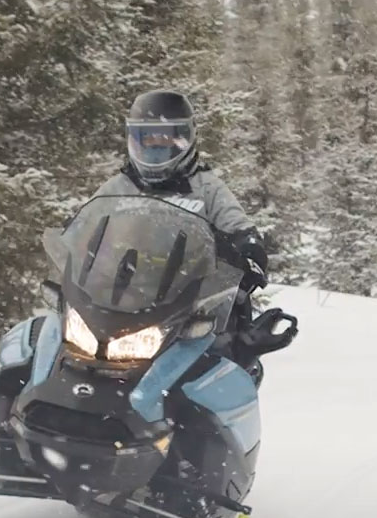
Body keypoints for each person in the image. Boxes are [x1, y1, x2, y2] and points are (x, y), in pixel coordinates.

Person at [90, 89, 278, 379]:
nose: (155, 146)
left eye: (164, 138)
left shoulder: (206, 186)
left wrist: (248, 251)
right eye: (147, 138)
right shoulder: (120, 186)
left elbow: (238, 225)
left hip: (188, 299)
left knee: (221, 347)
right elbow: (88, 221)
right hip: (124, 295)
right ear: (134, 139)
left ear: (183, 138)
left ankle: (233, 375)